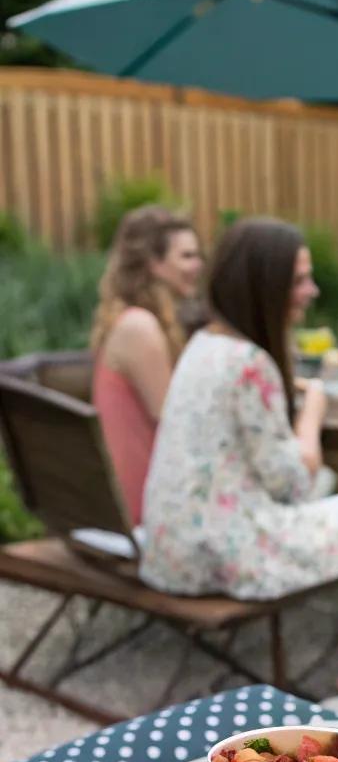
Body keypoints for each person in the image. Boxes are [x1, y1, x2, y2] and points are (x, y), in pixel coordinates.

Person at [142, 218, 338, 692]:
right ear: (264, 284)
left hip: (170, 550)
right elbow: (292, 485)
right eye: (299, 279)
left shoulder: (204, 344)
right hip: (225, 555)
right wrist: (311, 415)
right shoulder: (251, 362)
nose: (311, 290)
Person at [90, 205, 203, 523]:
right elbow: (174, 424)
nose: (199, 265)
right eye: (187, 256)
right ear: (154, 263)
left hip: (151, 497)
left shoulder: (140, 321)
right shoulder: (139, 327)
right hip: (147, 511)